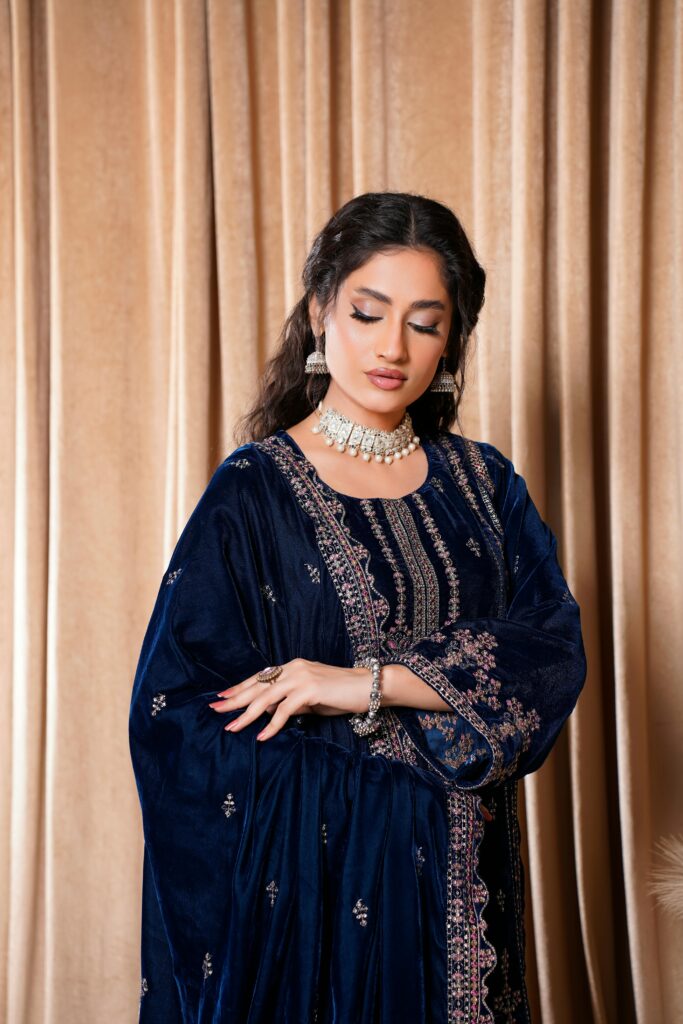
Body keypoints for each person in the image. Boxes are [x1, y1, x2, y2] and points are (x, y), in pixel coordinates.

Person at [128, 191, 587, 1023]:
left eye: (425, 322)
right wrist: (352, 784)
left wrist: (361, 685)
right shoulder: (253, 491)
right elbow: (172, 717)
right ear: (319, 313)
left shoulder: (484, 484)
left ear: (451, 341)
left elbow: (550, 653)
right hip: (316, 898)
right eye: (368, 313)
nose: (391, 348)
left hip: (465, 882)